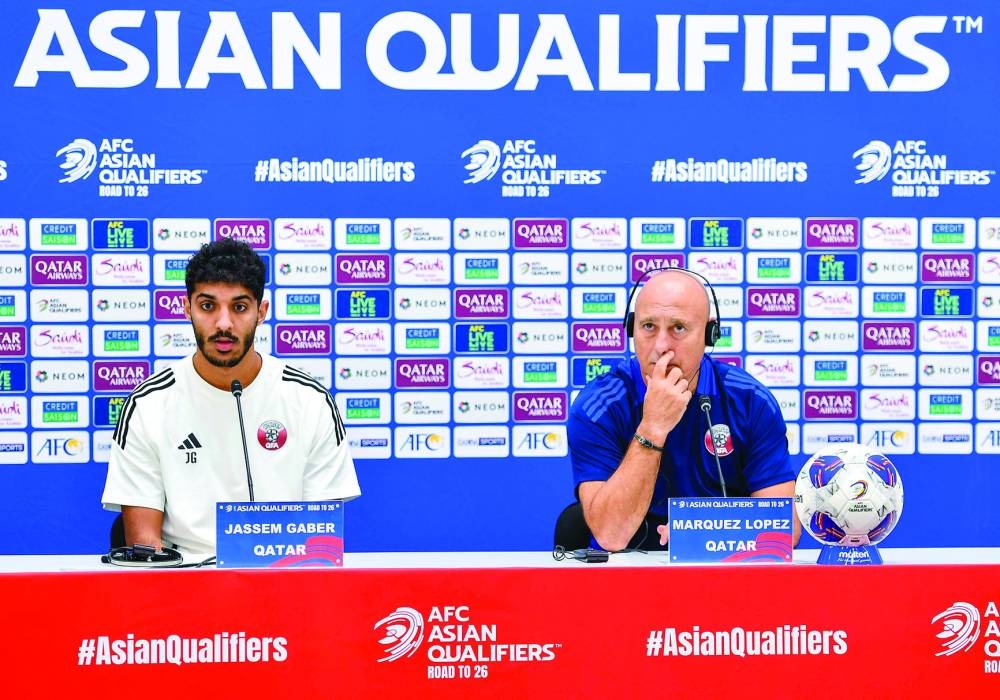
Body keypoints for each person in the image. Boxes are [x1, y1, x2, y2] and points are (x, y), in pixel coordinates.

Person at [102, 237, 360, 558]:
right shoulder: (148, 404)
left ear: (261, 311)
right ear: (187, 308)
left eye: (239, 307)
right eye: (208, 306)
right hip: (183, 589)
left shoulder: (310, 400)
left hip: (283, 586)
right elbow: (146, 551)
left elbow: (321, 548)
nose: (223, 324)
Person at [567, 268, 800, 551]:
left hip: (723, 573)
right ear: (632, 328)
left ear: (709, 334)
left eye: (678, 328)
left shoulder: (751, 402)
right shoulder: (599, 407)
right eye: (648, 327)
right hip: (628, 578)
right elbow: (611, 534)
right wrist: (653, 428)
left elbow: (782, 529)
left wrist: (696, 531)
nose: (662, 346)